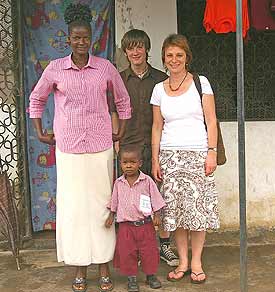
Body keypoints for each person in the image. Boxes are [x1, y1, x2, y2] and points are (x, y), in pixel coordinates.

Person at [28, 4, 131, 292]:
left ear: (91, 39)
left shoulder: (105, 68)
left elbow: (122, 101)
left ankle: (104, 266)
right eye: (76, 37)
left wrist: (120, 129)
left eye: (85, 37)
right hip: (69, 149)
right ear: (68, 39)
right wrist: (39, 132)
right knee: (74, 210)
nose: (81, 42)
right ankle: (79, 269)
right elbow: (36, 101)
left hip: (100, 147)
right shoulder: (55, 69)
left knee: (101, 207)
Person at [151, 34, 220, 284]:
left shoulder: (201, 83)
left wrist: (211, 152)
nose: (174, 59)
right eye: (169, 55)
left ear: (186, 57)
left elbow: (211, 120)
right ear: (164, 59)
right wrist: (156, 159)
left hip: (198, 154)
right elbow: (157, 127)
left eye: (179, 55)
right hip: (170, 156)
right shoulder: (159, 89)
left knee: (197, 212)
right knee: (177, 214)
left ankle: (197, 262)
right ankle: (182, 261)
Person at [112, 28, 179, 267]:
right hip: (129, 149)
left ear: (147, 49)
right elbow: (114, 112)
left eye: (140, 46)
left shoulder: (162, 79)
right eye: (131, 47)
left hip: (157, 147)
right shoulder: (118, 79)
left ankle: (163, 246)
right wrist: (117, 145)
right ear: (125, 51)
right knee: (132, 201)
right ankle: (137, 250)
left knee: (160, 197)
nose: (136, 52)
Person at [105, 145, 165, 292]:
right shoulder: (118, 183)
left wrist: (157, 215)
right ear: (120, 164)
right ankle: (131, 277)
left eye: (132, 162)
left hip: (145, 225)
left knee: (149, 251)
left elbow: (156, 198)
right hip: (126, 226)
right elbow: (114, 201)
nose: (129, 166)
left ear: (140, 163)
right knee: (127, 252)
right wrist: (111, 216)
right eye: (125, 162)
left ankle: (150, 275)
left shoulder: (147, 181)